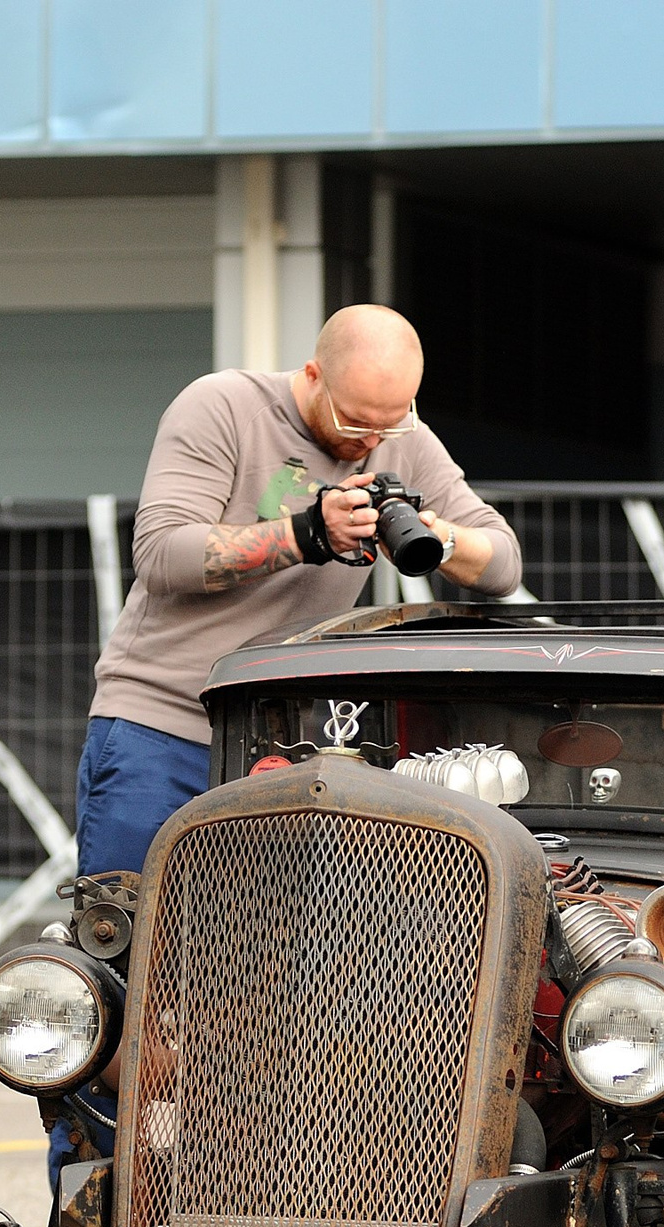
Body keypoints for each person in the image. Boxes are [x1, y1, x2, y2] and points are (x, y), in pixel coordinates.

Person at [86, 303, 524, 876]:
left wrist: (437, 535)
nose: (371, 440)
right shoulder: (224, 405)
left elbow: (503, 564)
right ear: (313, 375)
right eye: (354, 421)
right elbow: (161, 554)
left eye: (390, 422)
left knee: (266, 934)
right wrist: (310, 533)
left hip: (284, 749)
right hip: (164, 727)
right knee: (128, 919)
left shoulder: (406, 440)